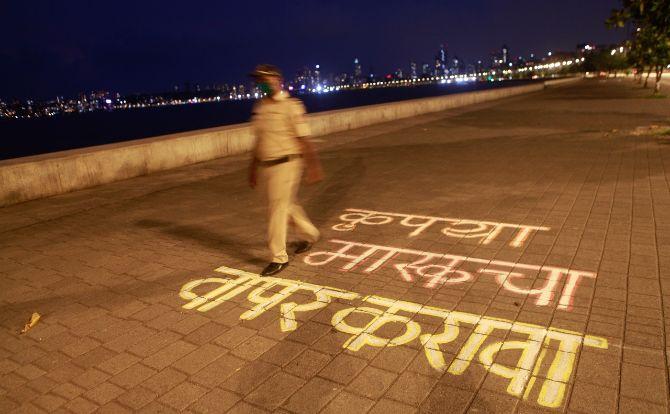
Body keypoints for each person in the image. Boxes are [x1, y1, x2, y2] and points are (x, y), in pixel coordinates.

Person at [248, 64, 323, 276]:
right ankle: (310, 234)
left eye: (265, 79)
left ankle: (278, 257)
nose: (261, 84)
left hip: (288, 164)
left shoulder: (292, 106)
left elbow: (304, 139)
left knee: (277, 209)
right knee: (285, 205)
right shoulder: (260, 107)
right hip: (267, 166)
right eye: (258, 80)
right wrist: (252, 168)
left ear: (277, 79)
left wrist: (314, 166)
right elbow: (258, 140)